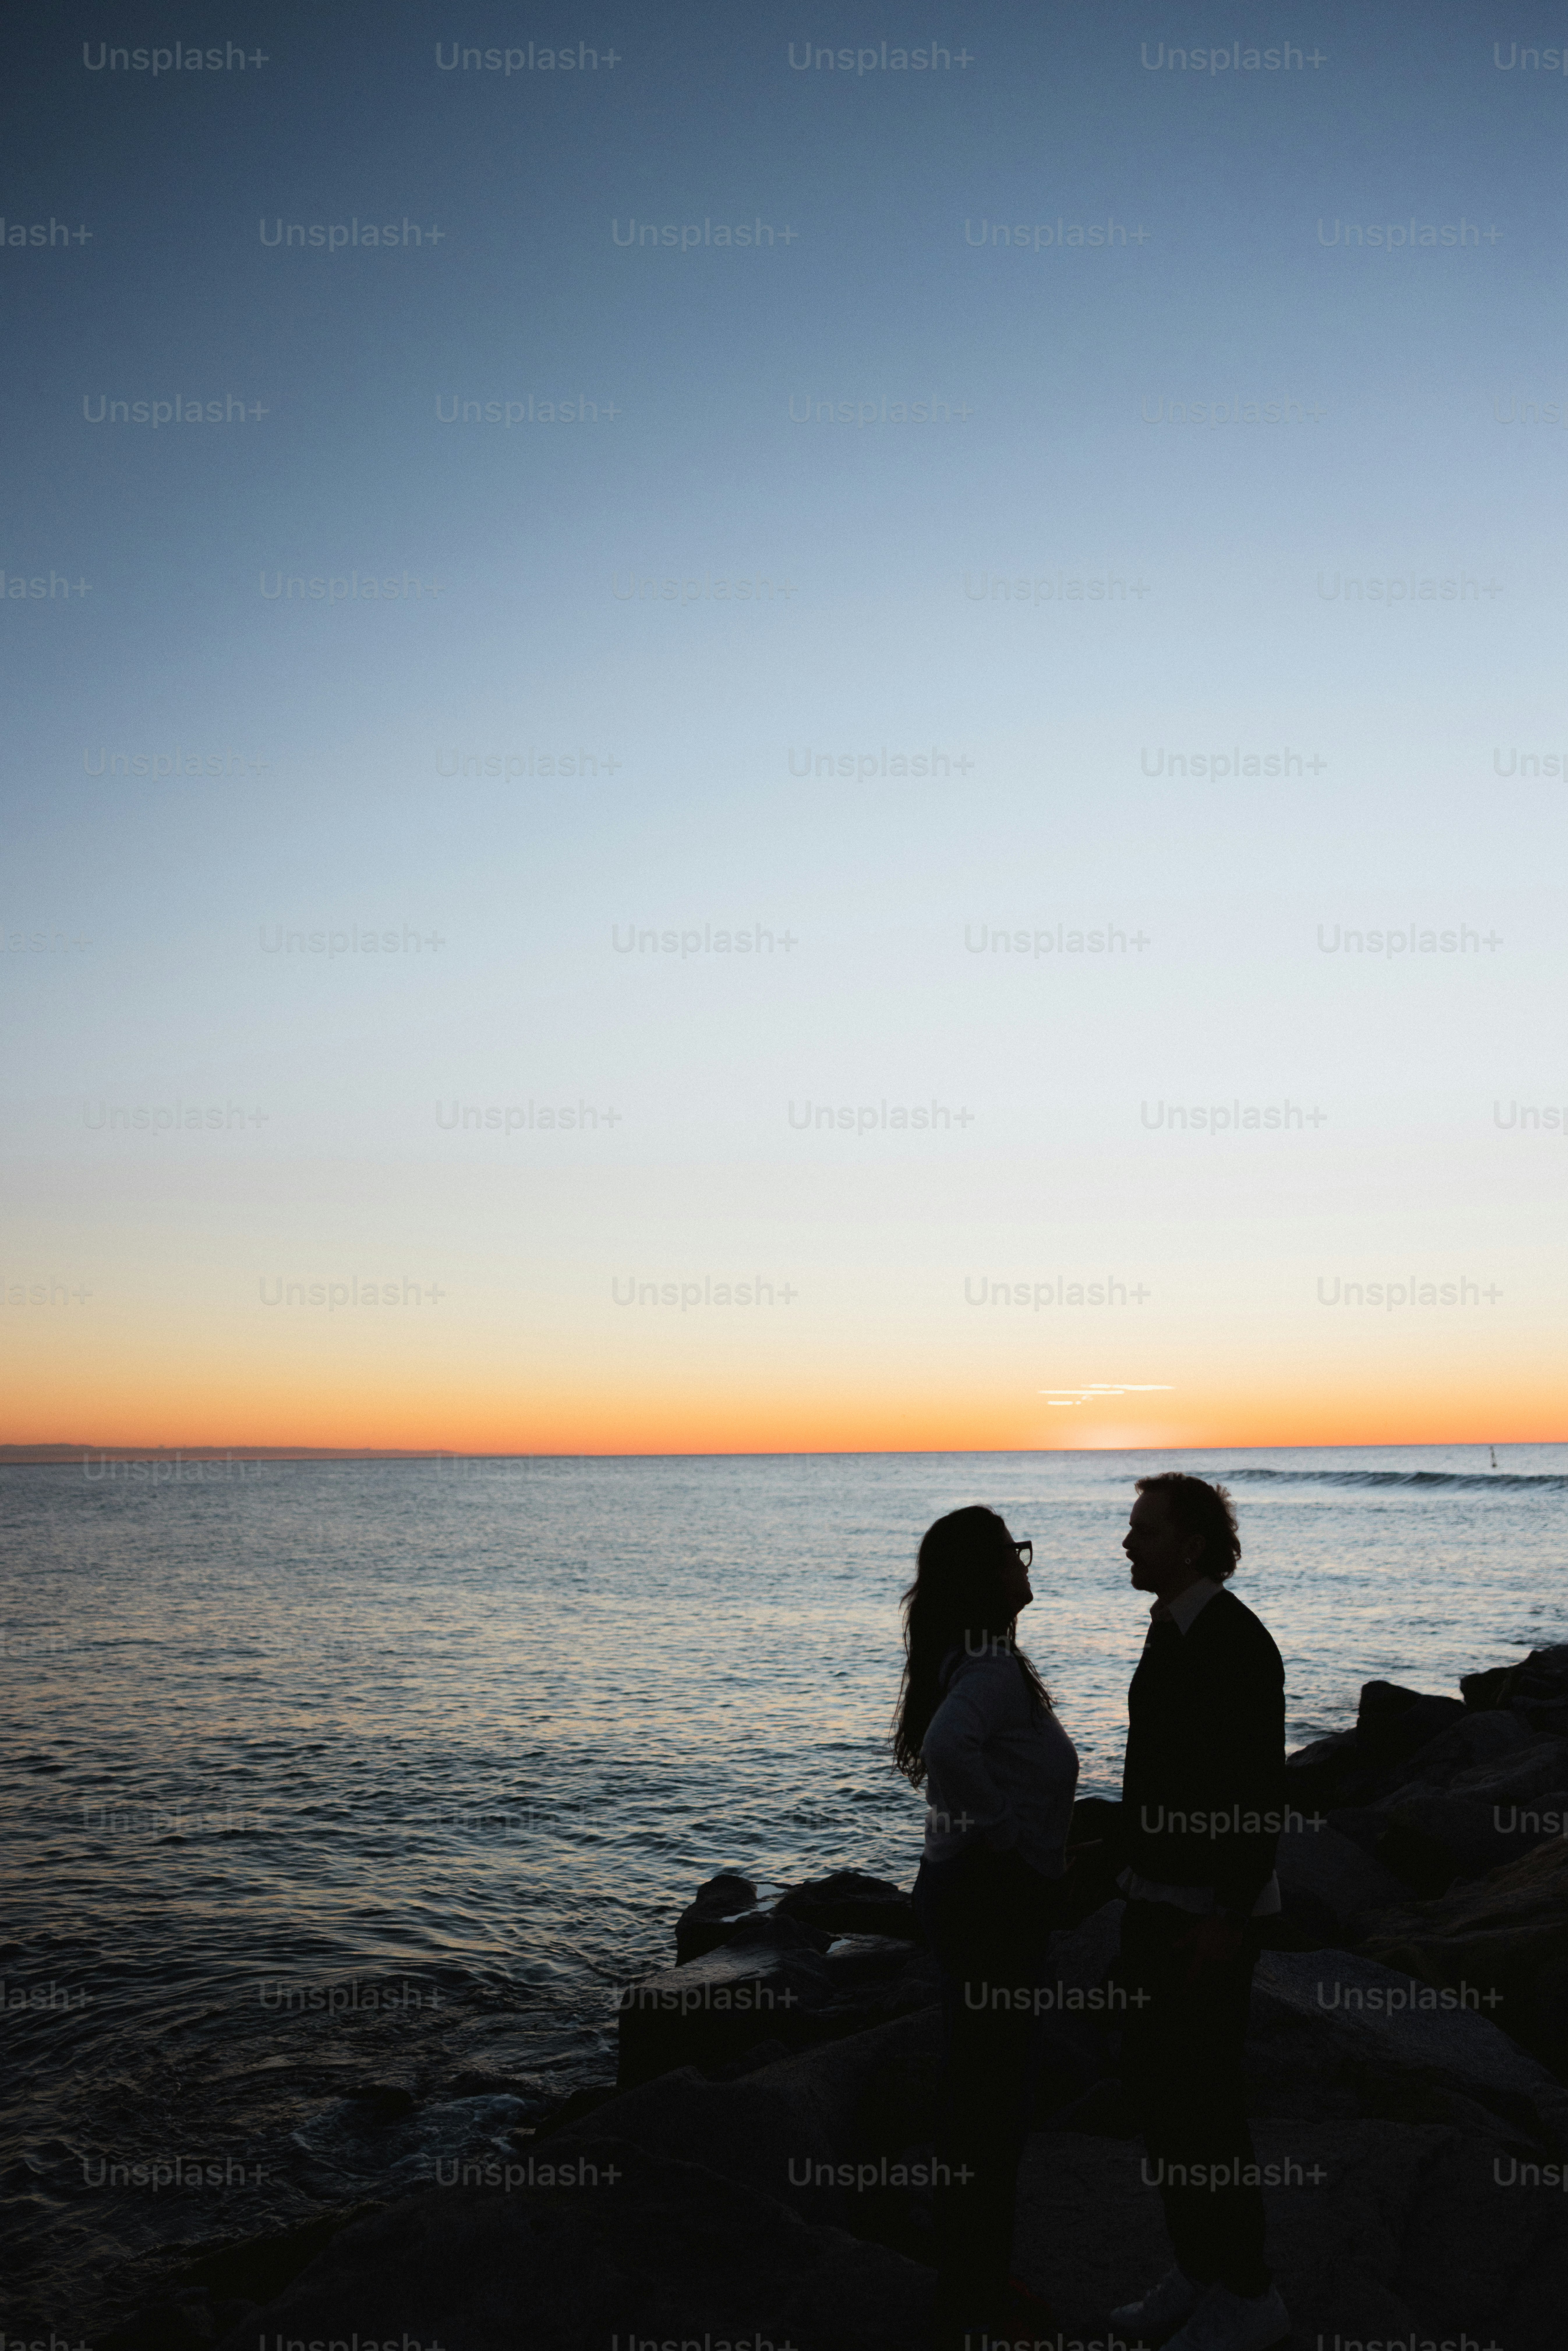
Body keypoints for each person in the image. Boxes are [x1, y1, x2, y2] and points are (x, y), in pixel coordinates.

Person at [1109, 1473, 1291, 2351]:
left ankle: (1249, 2294)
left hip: (1202, 1915)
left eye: (1141, 1528)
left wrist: (1227, 1915)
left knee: (1206, 2107)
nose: (1126, 1542)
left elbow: (1258, 1792)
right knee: (1163, 2102)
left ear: (1188, 1543)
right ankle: (1199, 2268)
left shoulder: (1233, 1641)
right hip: (1155, 1900)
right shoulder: (1173, 1629)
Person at [892, 1504, 1079, 2341]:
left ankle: (967, 2273)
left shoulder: (980, 1658)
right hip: (987, 1900)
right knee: (993, 2096)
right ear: (985, 1574)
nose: (1025, 1563)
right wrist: (1008, 1836)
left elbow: (954, 1752)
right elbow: (946, 1749)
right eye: (1014, 1552)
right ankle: (976, 2290)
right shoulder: (992, 1671)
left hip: (963, 1890)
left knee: (977, 2085)